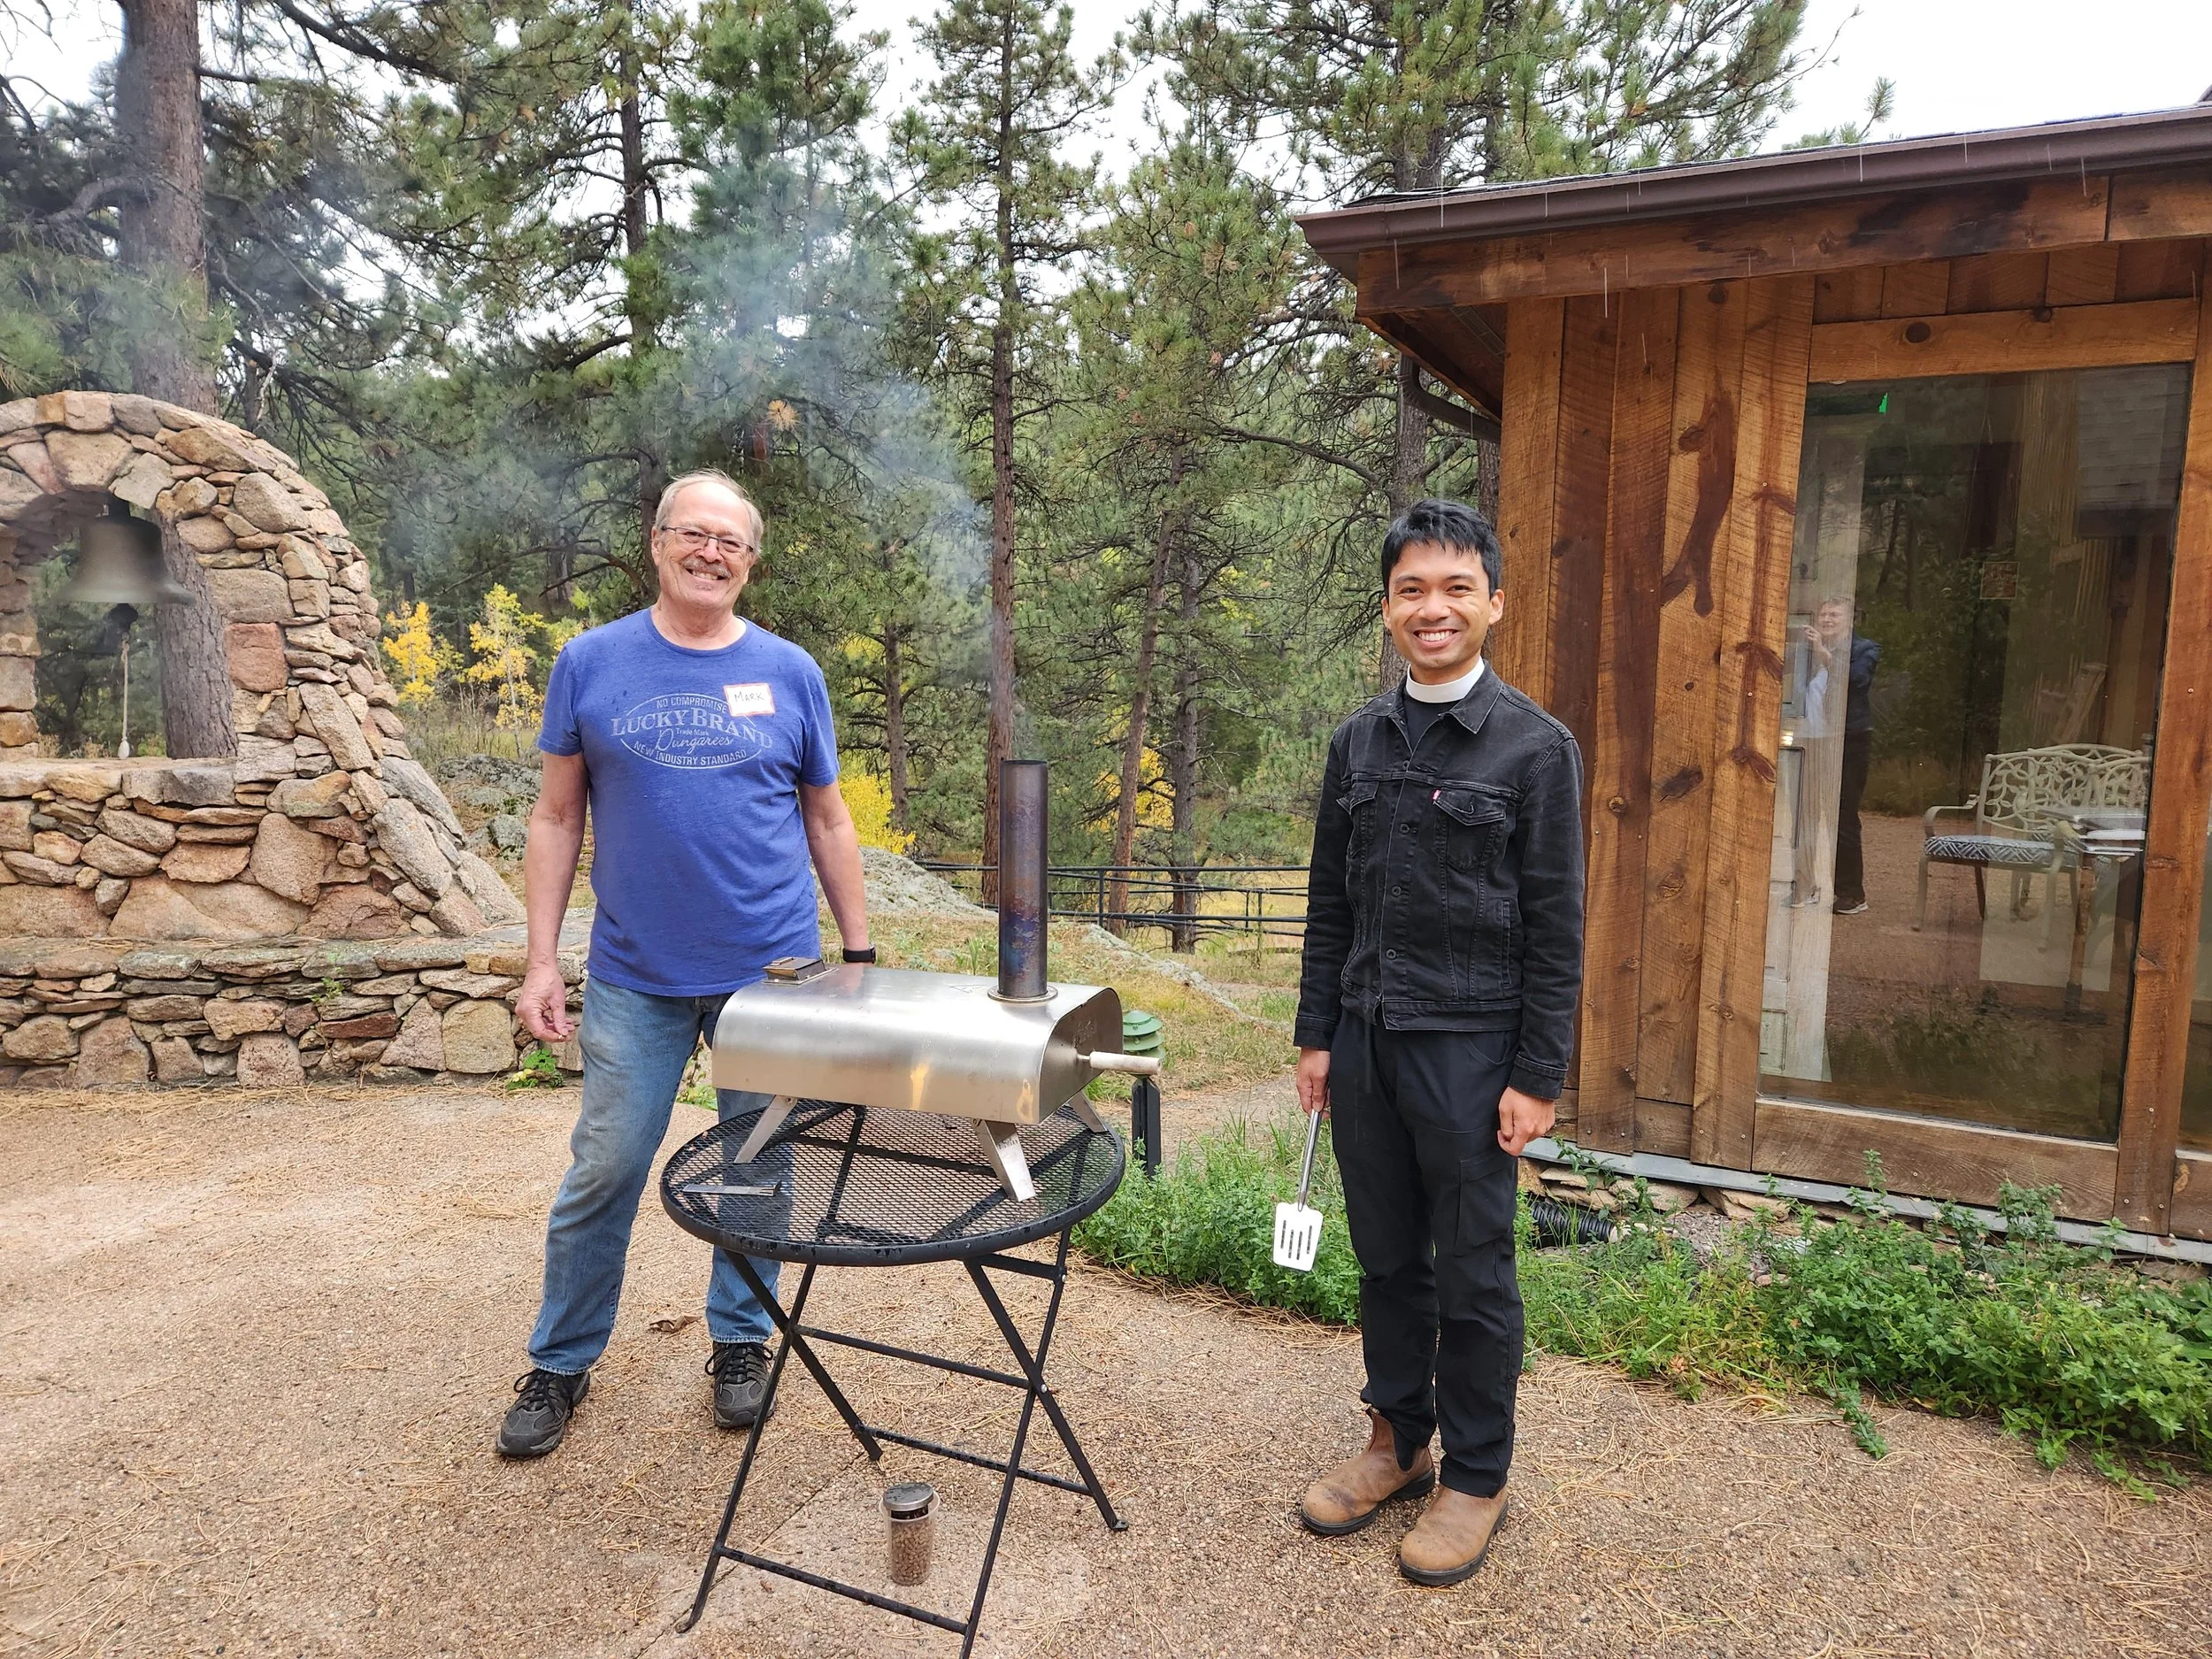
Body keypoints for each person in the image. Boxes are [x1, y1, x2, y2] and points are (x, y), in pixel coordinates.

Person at [495, 469, 872, 1459]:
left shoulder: (791, 672)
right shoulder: (590, 662)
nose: (712, 553)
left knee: (759, 1172)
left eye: (731, 542)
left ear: (751, 560)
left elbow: (827, 818)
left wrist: (860, 952)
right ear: (657, 542)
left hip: (776, 974)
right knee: (605, 1168)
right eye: (693, 535)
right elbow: (555, 815)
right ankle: (561, 1360)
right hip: (634, 971)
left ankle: (741, 1342)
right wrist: (541, 960)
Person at [1292, 497, 1584, 1586]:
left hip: (1471, 1055)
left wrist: (1535, 1077)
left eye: (1456, 587)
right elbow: (1330, 905)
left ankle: (1476, 1474)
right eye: (1412, 588)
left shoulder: (1534, 750)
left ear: (1493, 606)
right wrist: (1316, 1037)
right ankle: (1398, 1441)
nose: (1434, 607)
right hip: (1365, 1045)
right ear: (1386, 609)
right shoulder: (1357, 743)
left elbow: (1558, 929)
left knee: (1471, 1271)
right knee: (1385, 1260)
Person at [1802, 597, 1880, 915]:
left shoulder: (1865, 650)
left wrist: (1825, 656)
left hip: (1847, 743)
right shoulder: (1806, 647)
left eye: (1834, 614)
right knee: (1804, 817)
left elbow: (1857, 682)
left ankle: (1852, 894)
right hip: (1808, 741)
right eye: (1823, 613)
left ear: (1850, 620)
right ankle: (1804, 885)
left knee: (1842, 817)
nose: (1827, 618)